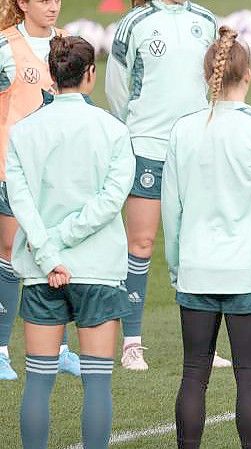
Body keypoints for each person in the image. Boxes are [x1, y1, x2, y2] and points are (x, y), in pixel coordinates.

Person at [162, 26, 251, 449]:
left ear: (208, 77)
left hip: (198, 270)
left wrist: (177, 265)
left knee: (193, 374)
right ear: (249, 75)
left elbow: (172, 209)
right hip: (248, 271)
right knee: (250, 378)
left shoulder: (182, 130)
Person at [7, 35, 134, 449]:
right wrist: (63, 243)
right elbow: (110, 202)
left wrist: (48, 250)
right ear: (90, 75)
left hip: (43, 272)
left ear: (51, 74)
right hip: (97, 269)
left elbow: (20, 201)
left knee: (38, 383)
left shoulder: (22, 133)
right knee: (97, 385)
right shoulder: (114, 130)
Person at [105, 0, 229, 370]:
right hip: (147, 147)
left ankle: (205, 348)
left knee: (199, 243)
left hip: (196, 147)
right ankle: (131, 343)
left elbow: (219, 79)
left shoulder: (206, 20)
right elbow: (116, 89)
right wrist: (138, 128)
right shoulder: (134, 22)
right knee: (140, 243)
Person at [0, 0, 81, 380]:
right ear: (21, 3)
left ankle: (61, 348)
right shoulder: (5, 45)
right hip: (11, 169)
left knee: (57, 252)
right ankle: (1, 350)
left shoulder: (67, 42)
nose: (53, 6)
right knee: (10, 255)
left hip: (59, 173)